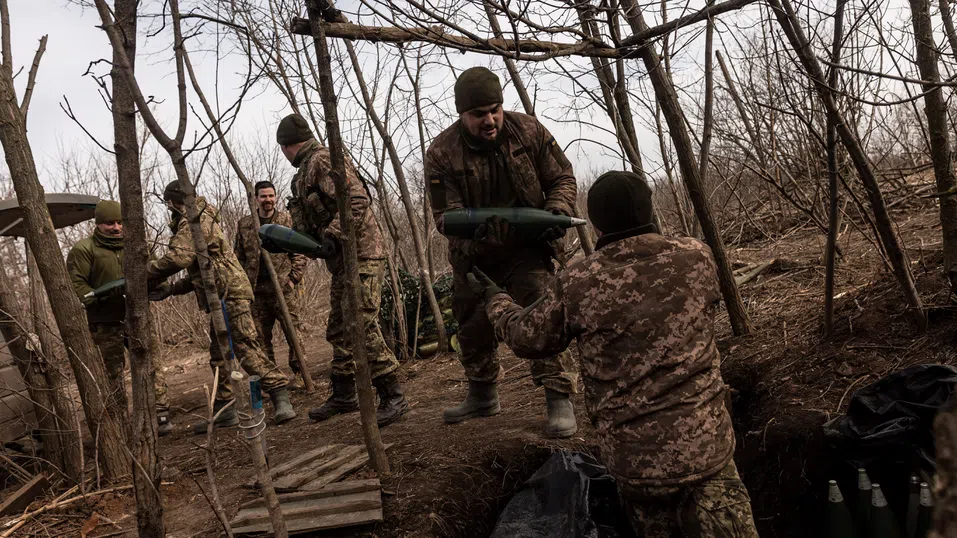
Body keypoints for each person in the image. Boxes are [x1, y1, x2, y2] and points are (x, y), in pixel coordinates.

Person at [469, 171, 759, 537]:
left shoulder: (578, 282)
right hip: (709, 454)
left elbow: (528, 338)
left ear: (597, 222)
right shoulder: (696, 257)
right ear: (649, 209)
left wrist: (497, 300)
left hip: (635, 467)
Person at [424, 66, 579, 438]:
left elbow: (563, 177)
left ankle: (558, 396)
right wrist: (479, 236)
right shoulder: (441, 154)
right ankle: (482, 394)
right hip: (474, 254)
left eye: (495, 109)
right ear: (462, 114)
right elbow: (445, 218)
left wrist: (558, 209)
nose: (490, 120)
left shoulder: (528, 130)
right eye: (479, 114)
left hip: (527, 249)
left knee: (542, 311)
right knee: (471, 323)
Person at [276, 113, 409, 427]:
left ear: (285, 146)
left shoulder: (321, 160)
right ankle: (344, 392)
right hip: (341, 262)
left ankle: (393, 395)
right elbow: (312, 230)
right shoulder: (302, 174)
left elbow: (358, 199)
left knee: (361, 323)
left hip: (361, 254)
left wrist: (335, 234)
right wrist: (288, 242)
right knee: (339, 327)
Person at [147, 182, 296, 433]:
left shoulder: (194, 220)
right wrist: (171, 288)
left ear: (172, 202)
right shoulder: (197, 219)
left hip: (230, 293)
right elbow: (200, 270)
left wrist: (143, 274)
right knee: (219, 356)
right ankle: (225, 410)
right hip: (219, 295)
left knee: (245, 348)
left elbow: (178, 258)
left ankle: (280, 393)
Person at [67, 200, 173, 436]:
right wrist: (97, 297)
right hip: (104, 322)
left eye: (119, 222)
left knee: (152, 363)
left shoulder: (136, 245)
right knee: (112, 373)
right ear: (98, 224)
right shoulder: (84, 249)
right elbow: (76, 283)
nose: (115, 227)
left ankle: (160, 412)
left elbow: (154, 270)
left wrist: (162, 286)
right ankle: (120, 423)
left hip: (137, 315)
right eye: (109, 223)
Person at [235, 180, 308, 388]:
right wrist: (242, 286)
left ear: (275, 197)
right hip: (256, 292)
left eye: (271, 196)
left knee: (293, 332)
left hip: (283, 289)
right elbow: (238, 258)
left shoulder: (286, 220)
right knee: (259, 338)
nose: (268, 200)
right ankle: (273, 380)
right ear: (256, 198)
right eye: (263, 196)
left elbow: (299, 252)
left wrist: (293, 279)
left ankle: (300, 373)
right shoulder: (245, 224)